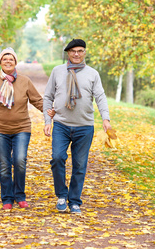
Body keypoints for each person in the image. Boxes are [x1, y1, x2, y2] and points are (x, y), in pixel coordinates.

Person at [43, 39, 111, 214]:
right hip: (61, 124)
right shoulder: (57, 71)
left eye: (80, 51)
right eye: (73, 51)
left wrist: (106, 118)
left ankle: (74, 201)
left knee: (80, 165)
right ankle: (61, 196)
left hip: (84, 126)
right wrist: (47, 120)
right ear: (68, 53)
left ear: (85, 53)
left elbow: (101, 97)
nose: (76, 54)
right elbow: (48, 97)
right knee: (57, 158)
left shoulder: (92, 74)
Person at [0, 47, 44, 210]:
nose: (8, 61)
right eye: (4, 59)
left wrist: (51, 112)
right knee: (4, 164)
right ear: (0, 62)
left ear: (15, 62)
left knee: (19, 160)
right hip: (0, 130)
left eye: (11, 59)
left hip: (21, 128)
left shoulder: (25, 81)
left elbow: (37, 100)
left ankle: (20, 196)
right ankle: (7, 198)